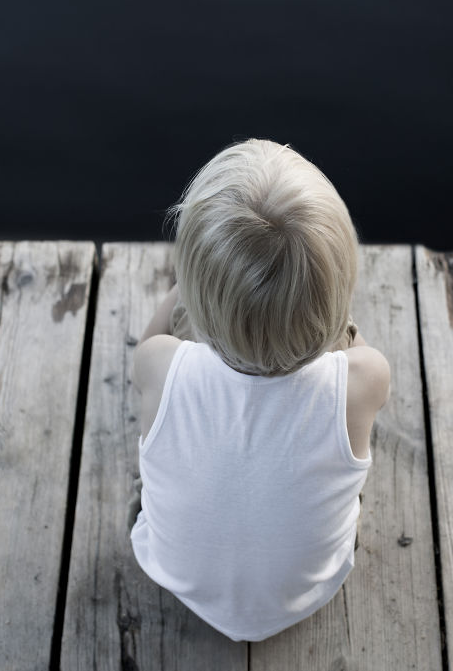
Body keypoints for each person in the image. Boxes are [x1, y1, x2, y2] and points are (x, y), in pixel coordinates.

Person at [129, 137, 391, 643]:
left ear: (201, 296)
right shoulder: (363, 379)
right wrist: (343, 328)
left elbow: (151, 343)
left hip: (177, 574)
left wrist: (185, 284)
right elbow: (351, 346)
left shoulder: (162, 365)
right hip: (310, 588)